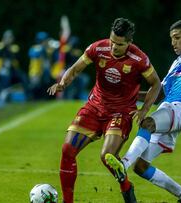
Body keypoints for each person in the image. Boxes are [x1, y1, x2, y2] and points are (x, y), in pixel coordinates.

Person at [47, 18, 161, 203]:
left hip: (121, 113)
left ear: (129, 43)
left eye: (120, 44)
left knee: (107, 157)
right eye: (112, 41)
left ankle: (126, 186)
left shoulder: (139, 59)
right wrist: (62, 83)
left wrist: (144, 109)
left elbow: (156, 84)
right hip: (94, 107)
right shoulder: (98, 48)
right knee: (68, 149)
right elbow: (75, 69)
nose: (114, 47)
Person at [104, 20, 181, 202]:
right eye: (171, 39)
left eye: (177, 38)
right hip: (169, 110)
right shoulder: (176, 64)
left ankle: (123, 164)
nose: (173, 43)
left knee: (147, 122)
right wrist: (127, 93)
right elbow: (158, 95)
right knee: (141, 167)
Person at [28, 31, 54, 100]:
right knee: (35, 87)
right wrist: (43, 48)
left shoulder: (47, 49)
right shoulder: (35, 48)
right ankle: (31, 99)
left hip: (43, 72)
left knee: (45, 86)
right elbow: (33, 54)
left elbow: (50, 55)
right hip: (35, 72)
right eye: (45, 40)